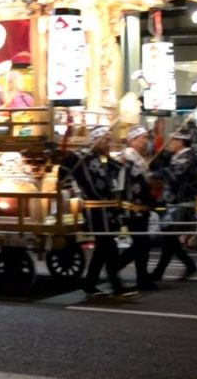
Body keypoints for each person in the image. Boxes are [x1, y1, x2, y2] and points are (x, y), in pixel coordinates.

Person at [61, 126, 138, 299]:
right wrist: (70, 190)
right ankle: (116, 286)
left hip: (108, 208)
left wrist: (126, 163)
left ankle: (91, 284)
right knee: (107, 246)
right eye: (105, 139)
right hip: (94, 208)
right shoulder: (79, 156)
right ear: (95, 139)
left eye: (109, 139)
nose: (108, 143)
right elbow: (63, 172)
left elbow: (119, 168)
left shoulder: (103, 158)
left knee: (104, 247)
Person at [150, 131, 197, 282]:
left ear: (181, 142)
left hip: (181, 203)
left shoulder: (188, 157)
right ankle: (188, 265)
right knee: (170, 239)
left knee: (169, 237)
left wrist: (154, 174)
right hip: (174, 202)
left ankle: (159, 272)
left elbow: (174, 176)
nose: (170, 143)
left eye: (173, 140)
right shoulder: (178, 157)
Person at [117, 125, 157, 290]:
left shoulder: (139, 160)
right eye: (143, 138)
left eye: (147, 138)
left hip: (142, 207)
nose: (146, 141)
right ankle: (115, 267)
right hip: (131, 208)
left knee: (143, 244)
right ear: (133, 140)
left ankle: (142, 277)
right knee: (141, 243)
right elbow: (121, 184)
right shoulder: (126, 158)